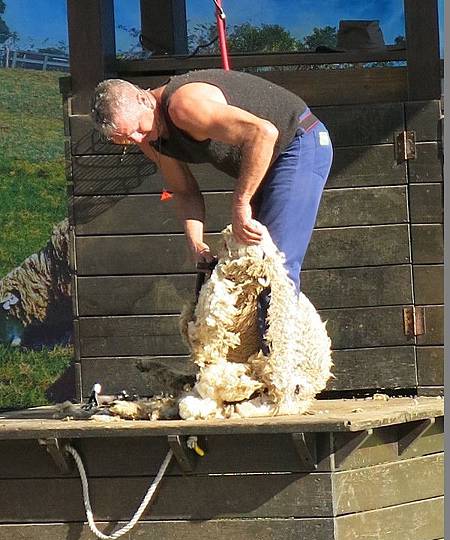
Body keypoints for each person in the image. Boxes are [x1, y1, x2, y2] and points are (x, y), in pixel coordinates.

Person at [91, 69, 333, 353]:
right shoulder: (148, 137)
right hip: (267, 162)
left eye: (138, 128)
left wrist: (241, 204)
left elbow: (264, 133)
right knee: (249, 268)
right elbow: (184, 191)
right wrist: (197, 245)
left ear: (144, 99)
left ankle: (282, 368)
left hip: (298, 141)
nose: (136, 137)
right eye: (126, 137)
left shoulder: (184, 106)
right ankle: (257, 364)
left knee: (274, 266)